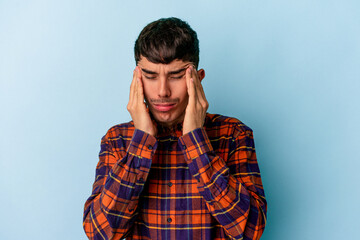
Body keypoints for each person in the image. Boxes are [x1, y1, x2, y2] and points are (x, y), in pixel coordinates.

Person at [83, 17, 267, 240]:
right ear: (137, 80)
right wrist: (141, 143)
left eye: (176, 76)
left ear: (197, 80)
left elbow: (251, 230)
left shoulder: (234, 134)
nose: (162, 91)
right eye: (151, 76)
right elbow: (99, 233)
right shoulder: (117, 140)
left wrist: (196, 141)